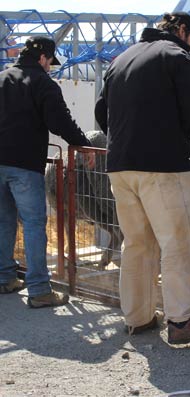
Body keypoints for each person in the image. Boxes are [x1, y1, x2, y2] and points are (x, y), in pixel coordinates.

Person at [94, 12, 190, 344]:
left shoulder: (122, 59)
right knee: (179, 243)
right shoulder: (175, 56)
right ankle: (183, 321)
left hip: (121, 167)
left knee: (137, 244)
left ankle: (138, 319)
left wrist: (128, 139)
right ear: (182, 31)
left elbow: (100, 112)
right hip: (163, 168)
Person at [0, 36, 94, 307]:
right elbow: (60, 121)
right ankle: (39, 288)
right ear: (43, 59)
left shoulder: (2, 79)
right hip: (25, 165)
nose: (50, 67)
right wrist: (84, 146)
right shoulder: (43, 83)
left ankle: (5, 276)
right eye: (50, 62)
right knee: (33, 224)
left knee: (4, 221)